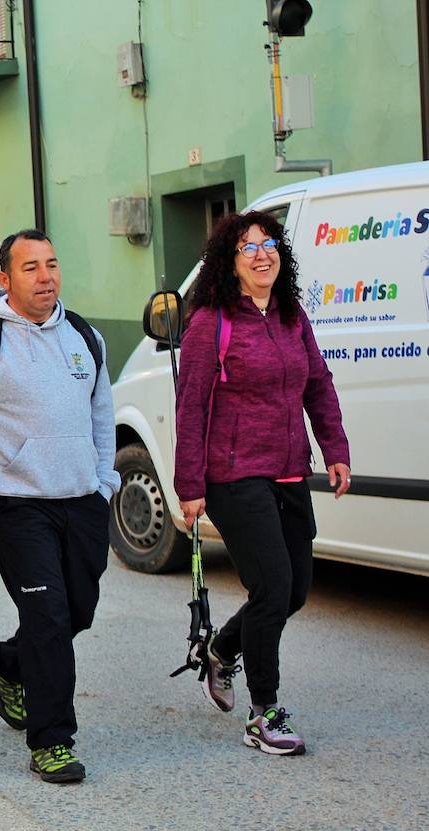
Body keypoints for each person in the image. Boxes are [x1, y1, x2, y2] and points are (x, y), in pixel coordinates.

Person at [0, 229, 118, 784]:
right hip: (17, 506)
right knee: (49, 616)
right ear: (5, 279)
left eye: (52, 264)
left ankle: (8, 662)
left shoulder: (85, 338)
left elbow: (102, 419)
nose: (46, 276)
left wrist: (104, 485)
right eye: (30, 267)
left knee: (76, 610)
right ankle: (52, 740)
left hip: (82, 501)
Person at [174, 211, 350, 756]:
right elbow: (192, 405)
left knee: (294, 590)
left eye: (268, 243)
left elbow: (318, 384)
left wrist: (335, 450)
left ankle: (223, 651)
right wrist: (189, 484)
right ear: (230, 262)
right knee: (272, 587)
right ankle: (264, 712)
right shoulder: (211, 322)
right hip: (233, 475)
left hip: (290, 469)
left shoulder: (292, 317)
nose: (260, 253)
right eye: (247, 247)